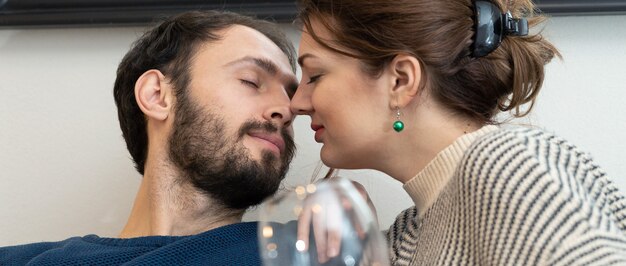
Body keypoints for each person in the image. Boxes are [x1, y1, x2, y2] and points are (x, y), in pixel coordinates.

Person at [290, 0, 626, 265]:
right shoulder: (407, 233)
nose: (296, 103)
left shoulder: (508, 169)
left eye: (315, 76)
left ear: (401, 80)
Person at [0, 10, 298, 265]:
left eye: (291, 95)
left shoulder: (310, 252)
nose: (286, 110)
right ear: (156, 95)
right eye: (251, 81)